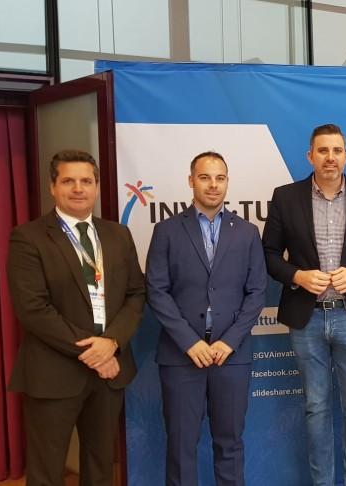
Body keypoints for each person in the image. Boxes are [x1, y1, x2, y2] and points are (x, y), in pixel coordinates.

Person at [6, 149, 145, 486]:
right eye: (69, 181)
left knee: (100, 468)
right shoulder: (28, 237)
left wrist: (111, 342)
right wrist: (96, 353)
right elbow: (33, 308)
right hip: (53, 372)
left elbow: (136, 294)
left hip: (109, 373)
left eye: (86, 181)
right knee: (46, 472)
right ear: (53, 187)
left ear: (97, 186)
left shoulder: (118, 235)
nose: (78, 188)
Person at [262, 123, 346, 486]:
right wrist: (297, 276)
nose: (330, 158)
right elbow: (269, 255)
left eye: (336, 151)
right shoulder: (286, 197)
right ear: (310, 156)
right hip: (308, 320)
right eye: (322, 151)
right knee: (316, 408)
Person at [145, 151, 266, 485]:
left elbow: (257, 292)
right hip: (181, 357)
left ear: (227, 182)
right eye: (205, 177)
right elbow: (156, 290)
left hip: (232, 357)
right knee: (181, 446)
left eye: (220, 178)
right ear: (191, 181)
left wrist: (229, 341)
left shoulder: (247, 232)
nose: (213, 185)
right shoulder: (167, 230)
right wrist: (190, 342)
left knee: (230, 444)